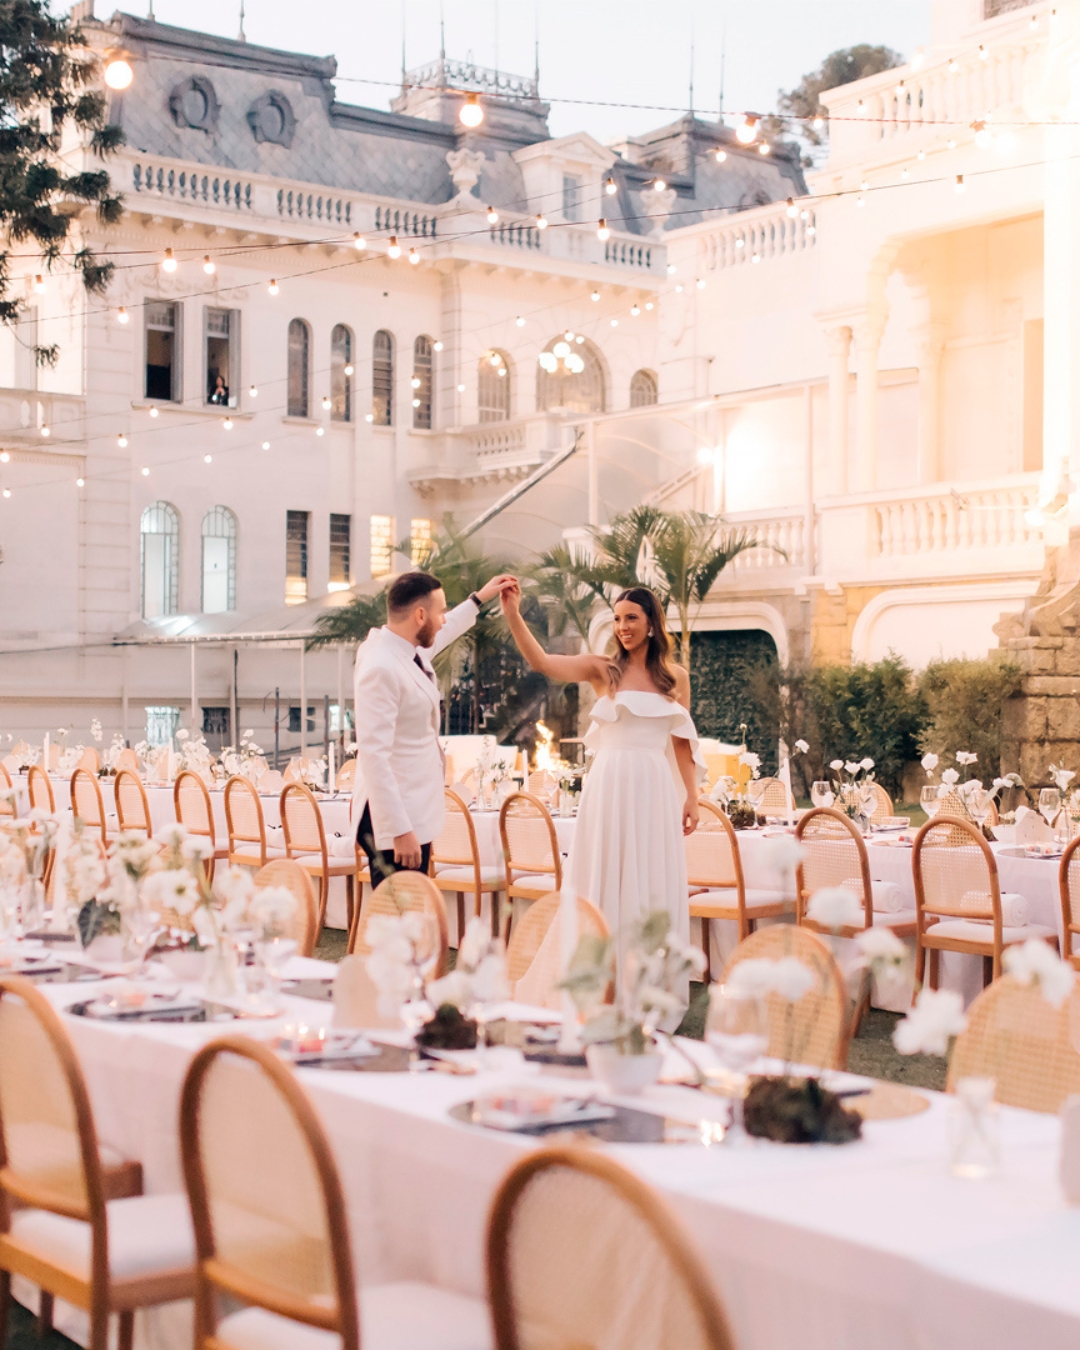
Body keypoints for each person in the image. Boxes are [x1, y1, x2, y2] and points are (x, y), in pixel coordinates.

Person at [500, 581, 703, 954]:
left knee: (650, 877)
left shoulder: (676, 678)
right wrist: (513, 614)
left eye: (631, 618)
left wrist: (692, 795)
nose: (623, 627)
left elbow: (681, 741)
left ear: (652, 624)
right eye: (617, 619)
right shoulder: (602, 670)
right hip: (609, 783)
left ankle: (645, 977)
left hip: (655, 788)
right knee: (604, 873)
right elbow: (541, 662)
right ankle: (599, 974)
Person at [352, 569, 515, 885]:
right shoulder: (381, 667)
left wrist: (479, 598)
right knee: (399, 920)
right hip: (392, 822)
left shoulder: (402, 650)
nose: (443, 619)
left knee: (411, 916)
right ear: (420, 615)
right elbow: (373, 756)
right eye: (440, 611)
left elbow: (442, 631)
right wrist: (399, 831)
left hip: (413, 809)